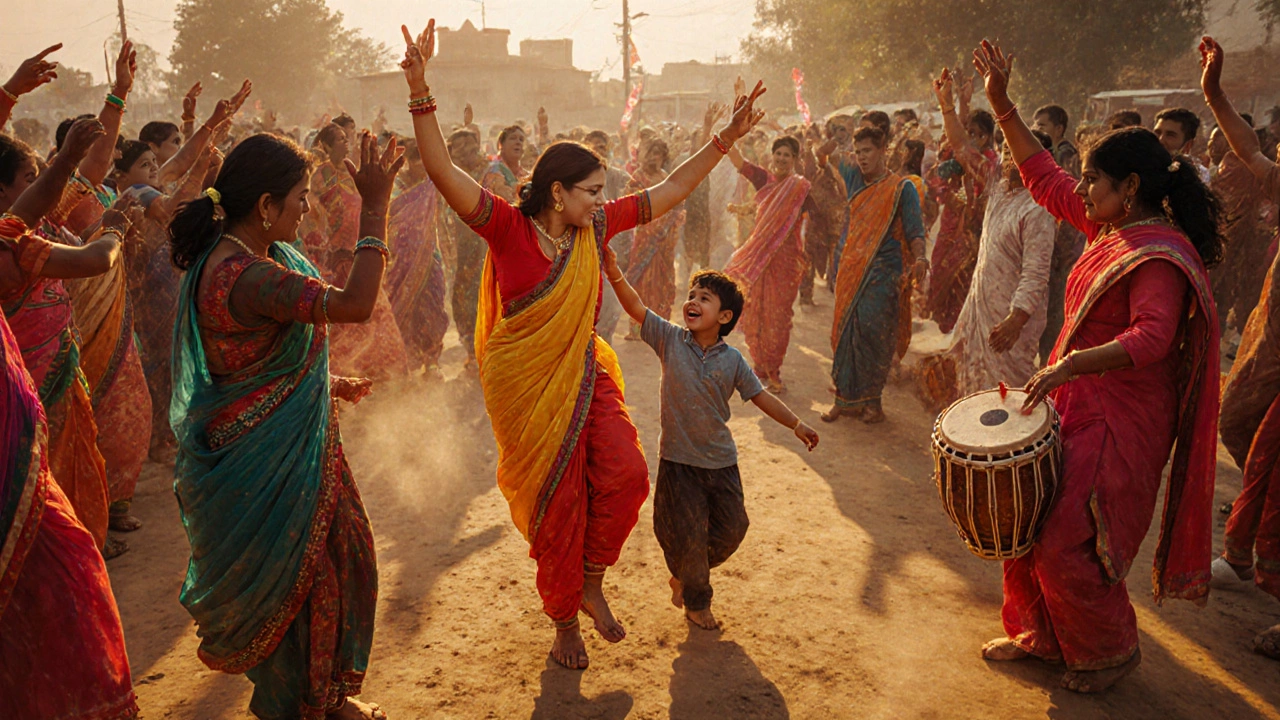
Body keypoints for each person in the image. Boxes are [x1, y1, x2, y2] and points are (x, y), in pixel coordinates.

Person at [399, 19, 766, 670]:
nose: (603, 202)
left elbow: (672, 189)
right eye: (591, 192)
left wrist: (723, 141)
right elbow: (439, 168)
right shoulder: (507, 229)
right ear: (557, 191)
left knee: (625, 475)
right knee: (556, 506)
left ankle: (592, 579)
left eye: (604, 193)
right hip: (529, 394)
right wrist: (420, 89)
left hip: (586, 376)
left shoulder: (593, 228)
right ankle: (565, 617)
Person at [974, 40, 1222, 693]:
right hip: (1077, 404)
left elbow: (1152, 338)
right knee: (1029, 523)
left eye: (1094, 180)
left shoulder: (1158, 255)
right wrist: (1001, 106)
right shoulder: (1108, 227)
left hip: (1120, 421)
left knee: (1068, 541)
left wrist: (1070, 364)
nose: (1080, 189)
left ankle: (1109, 649)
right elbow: (1044, 178)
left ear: (1130, 188)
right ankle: (1044, 636)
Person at [168, 131, 396, 719]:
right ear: (266, 207)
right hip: (265, 465)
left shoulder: (236, 258)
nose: (307, 208)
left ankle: (324, 697)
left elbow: (249, 362)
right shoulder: (247, 276)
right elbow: (353, 304)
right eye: (300, 197)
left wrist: (323, 384)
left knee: (328, 564)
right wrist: (375, 206)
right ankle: (299, 705)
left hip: (263, 451)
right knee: (309, 579)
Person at [604, 257, 818, 630]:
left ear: (724, 317)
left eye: (705, 298)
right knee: (685, 535)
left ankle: (688, 576)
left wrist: (796, 423)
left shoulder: (733, 360)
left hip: (721, 462)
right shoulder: (670, 339)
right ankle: (697, 603)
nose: (693, 302)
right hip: (679, 462)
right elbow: (636, 307)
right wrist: (615, 272)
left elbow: (761, 396)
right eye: (692, 295)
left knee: (733, 528)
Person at [1200, 35, 1280, 660]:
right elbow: (1250, 150)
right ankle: (1243, 549)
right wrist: (1215, 92)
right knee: (1243, 431)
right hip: (1269, 348)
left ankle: (1245, 554)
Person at [933, 69, 1056, 397]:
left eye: (1017, 152)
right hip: (982, 304)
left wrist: (1016, 320)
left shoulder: (1038, 208)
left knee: (1006, 395)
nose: (1008, 157)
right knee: (973, 389)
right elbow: (961, 148)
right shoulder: (998, 185)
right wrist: (947, 105)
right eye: (1006, 150)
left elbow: (1035, 273)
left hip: (1010, 320)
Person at [821, 125, 926, 424]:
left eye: (868, 150)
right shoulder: (854, 176)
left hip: (884, 272)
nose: (862, 157)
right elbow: (821, 155)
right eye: (858, 151)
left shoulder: (901, 188)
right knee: (845, 331)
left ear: (883, 151)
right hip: (851, 267)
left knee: (873, 332)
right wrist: (837, 138)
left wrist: (920, 257)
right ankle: (843, 399)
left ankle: (872, 402)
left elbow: (914, 229)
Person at [313, 122, 409, 379]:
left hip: (360, 251)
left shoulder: (354, 175)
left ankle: (381, 373)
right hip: (334, 260)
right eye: (341, 139)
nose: (348, 143)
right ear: (325, 146)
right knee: (343, 319)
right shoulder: (319, 176)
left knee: (376, 314)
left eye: (349, 138)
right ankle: (338, 376)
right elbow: (317, 217)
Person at [722, 135, 814, 394]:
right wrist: (733, 133)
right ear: (772, 156)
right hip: (760, 259)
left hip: (785, 261)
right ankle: (759, 367)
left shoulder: (800, 188)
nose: (782, 159)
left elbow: (816, 219)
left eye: (787, 155)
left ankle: (774, 369)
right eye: (779, 154)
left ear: (795, 160)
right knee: (756, 311)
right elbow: (739, 162)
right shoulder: (764, 179)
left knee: (779, 316)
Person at [926, 72, 998, 334]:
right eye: (969, 132)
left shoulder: (989, 163)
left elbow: (962, 146)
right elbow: (942, 170)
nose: (971, 138)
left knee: (965, 293)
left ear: (988, 136)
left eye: (977, 134)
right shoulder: (960, 161)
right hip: (951, 229)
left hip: (976, 238)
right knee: (940, 281)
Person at [386, 139, 450, 377]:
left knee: (433, 305)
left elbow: (442, 218)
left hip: (430, 254)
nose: (424, 165)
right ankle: (406, 363)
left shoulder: (433, 186)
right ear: (409, 162)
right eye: (419, 159)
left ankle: (432, 361)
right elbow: (389, 218)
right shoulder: (396, 187)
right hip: (401, 260)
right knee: (403, 309)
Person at [1032, 103, 1088, 363]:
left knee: (1054, 312)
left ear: (1059, 128)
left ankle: (1049, 364)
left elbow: (1068, 204)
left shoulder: (1066, 157)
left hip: (1064, 249)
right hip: (1054, 246)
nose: (1035, 130)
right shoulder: (1055, 153)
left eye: (1042, 126)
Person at [624, 136, 687, 337]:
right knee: (641, 283)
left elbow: (677, 203)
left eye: (657, 154)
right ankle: (636, 328)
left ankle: (659, 326)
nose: (653, 158)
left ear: (663, 157)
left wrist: (670, 216)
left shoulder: (665, 177)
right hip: (645, 240)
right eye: (650, 153)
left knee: (662, 282)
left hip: (665, 243)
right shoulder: (637, 178)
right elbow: (632, 205)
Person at [585, 128, 639, 345]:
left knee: (610, 306)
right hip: (582, 252)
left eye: (602, 147)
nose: (598, 151)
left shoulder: (618, 177)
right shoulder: (575, 179)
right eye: (593, 147)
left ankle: (599, 351)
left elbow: (634, 199)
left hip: (610, 253)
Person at [441, 127, 488, 372]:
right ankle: (471, 348)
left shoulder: (487, 172)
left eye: (474, 147)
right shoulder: (448, 174)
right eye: (466, 148)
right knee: (463, 297)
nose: (473, 152)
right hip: (458, 247)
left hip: (486, 246)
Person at [1154, 107, 1212, 184]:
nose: (1160, 140)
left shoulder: (1198, 176)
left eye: (1170, 135)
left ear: (1188, 145)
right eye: (1157, 133)